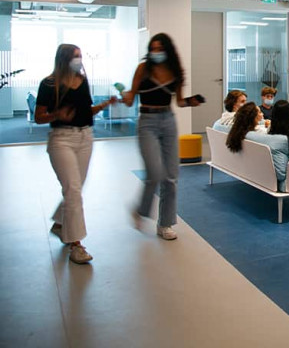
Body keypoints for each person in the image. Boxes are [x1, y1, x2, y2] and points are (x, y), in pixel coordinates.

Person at [35, 44, 117, 264]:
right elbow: (39, 117)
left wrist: (105, 104)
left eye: (80, 56)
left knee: (76, 188)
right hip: (61, 139)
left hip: (85, 137)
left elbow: (86, 111)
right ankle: (76, 244)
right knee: (73, 190)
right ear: (63, 59)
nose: (79, 60)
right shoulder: (48, 84)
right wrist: (57, 115)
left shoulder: (82, 81)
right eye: (75, 56)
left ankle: (61, 222)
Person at [122, 33, 201, 241]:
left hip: (168, 120)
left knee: (171, 176)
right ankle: (140, 210)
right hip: (147, 121)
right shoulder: (143, 69)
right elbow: (130, 99)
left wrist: (191, 101)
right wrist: (126, 96)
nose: (155, 52)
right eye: (153, 49)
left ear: (168, 50)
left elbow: (180, 101)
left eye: (159, 49)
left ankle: (165, 224)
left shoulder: (175, 71)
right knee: (154, 173)